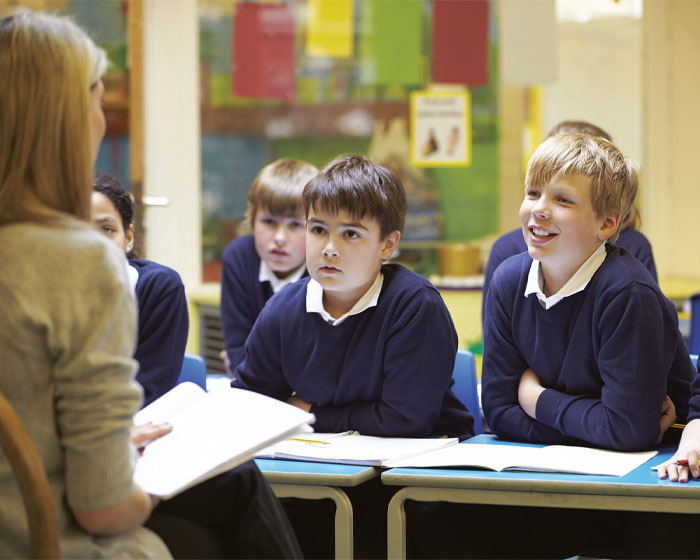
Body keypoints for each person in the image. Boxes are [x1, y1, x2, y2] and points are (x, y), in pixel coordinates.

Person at [0, 9, 301, 559]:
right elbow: (104, 508)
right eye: (96, 96)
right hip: (42, 538)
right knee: (219, 500)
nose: (101, 115)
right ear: (66, 120)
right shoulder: (79, 263)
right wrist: (153, 484)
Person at [233, 155, 473, 558]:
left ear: (388, 244)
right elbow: (250, 406)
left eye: (351, 235)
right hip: (324, 477)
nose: (329, 249)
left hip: (415, 484)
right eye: (318, 229)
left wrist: (308, 412)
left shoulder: (414, 306)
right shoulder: (284, 309)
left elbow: (404, 420)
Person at [482, 120, 657, 324]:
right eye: (533, 193)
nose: (539, 209)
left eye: (563, 200)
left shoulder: (629, 293)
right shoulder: (508, 279)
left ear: (607, 223)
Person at [92, 172, 188, 407]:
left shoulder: (159, 288)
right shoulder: (48, 294)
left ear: (129, 237)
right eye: (77, 231)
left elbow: (151, 392)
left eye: (106, 229)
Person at [220, 158, 318, 374]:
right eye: (269, 222)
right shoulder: (238, 258)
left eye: (294, 225)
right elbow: (238, 349)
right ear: (252, 220)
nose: (280, 238)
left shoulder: (325, 267)